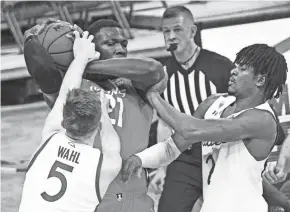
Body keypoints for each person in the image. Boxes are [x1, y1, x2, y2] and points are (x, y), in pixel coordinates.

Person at [122, 44, 288, 212]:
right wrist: (141, 159)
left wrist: (152, 95)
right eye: (236, 66)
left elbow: (190, 129)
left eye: (243, 68)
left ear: (260, 80)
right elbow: (173, 146)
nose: (233, 71)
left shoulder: (262, 119)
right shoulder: (213, 103)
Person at [23, 19, 166, 212]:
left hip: (137, 199)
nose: (120, 49)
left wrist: (87, 62)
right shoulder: (72, 87)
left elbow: (154, 69)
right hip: (94, 200)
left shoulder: (136, 85)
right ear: (91, 45)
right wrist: (33, 42)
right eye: (111, 43)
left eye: (124, 44)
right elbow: (41, 68)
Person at [19, 31, 122, 212]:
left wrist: (81, 57)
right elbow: (111, 142)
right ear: (98, 125)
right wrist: (104, 110)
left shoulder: (51, 137)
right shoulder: (106, 166)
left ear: (65, 118)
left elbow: (65, 92)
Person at [153, 5, 235, 212]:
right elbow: (164, 123)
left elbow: (241, 112)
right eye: (166, 31)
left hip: (222, 155)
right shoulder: (161, 75)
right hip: (184, 159)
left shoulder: (221, 66)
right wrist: (163, 166)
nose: (171, 36)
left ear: (192, 31)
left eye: (177, 29)